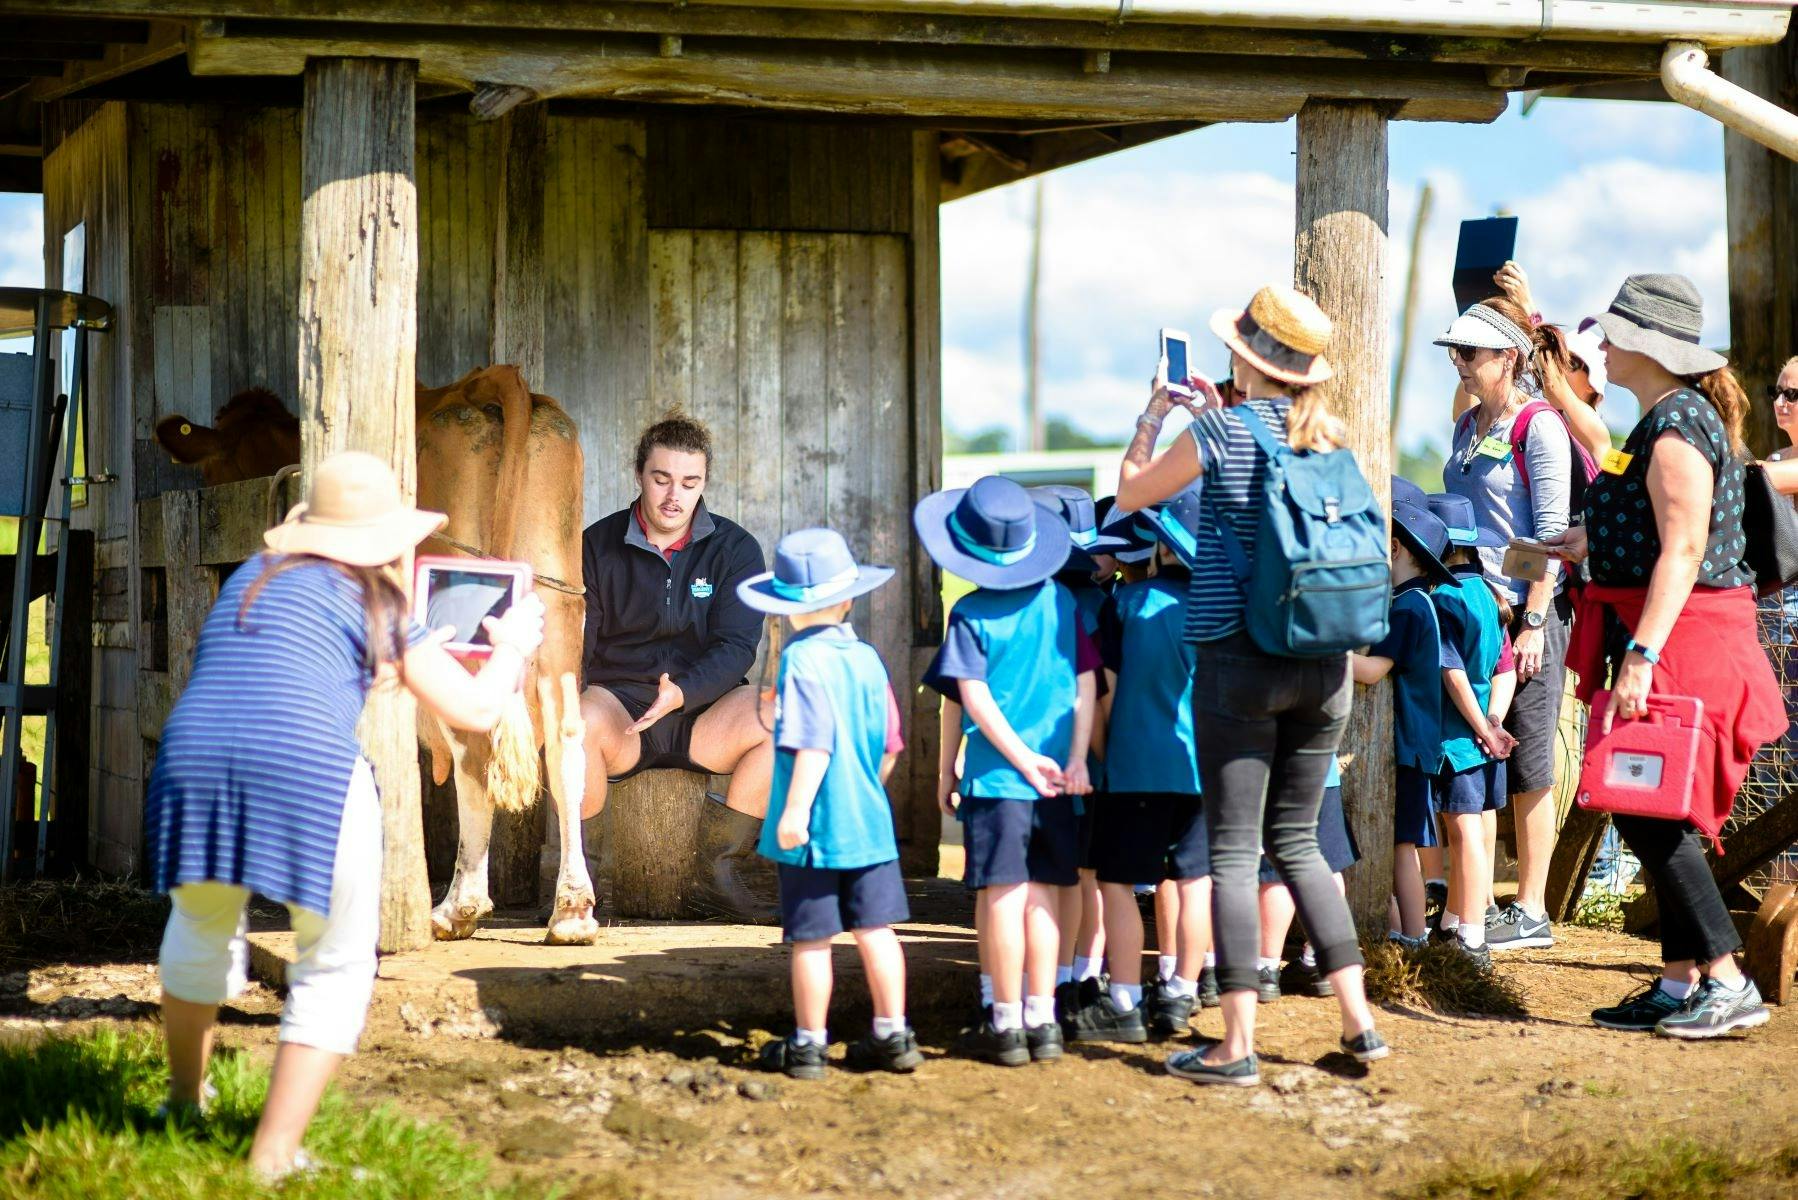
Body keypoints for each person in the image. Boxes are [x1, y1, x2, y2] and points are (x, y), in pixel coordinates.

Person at [145, 452, 546, 1180]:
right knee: (334, 965)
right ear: (386, 542)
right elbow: (478, 709)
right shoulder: (383, 606)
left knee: (200, 928)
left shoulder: (250, 579)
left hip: (192, 761)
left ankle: (182, 1104)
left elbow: (295, 668)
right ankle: (272, 1157)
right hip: (308, 769)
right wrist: (513, 645)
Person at [1117, 284, 1387, 1087]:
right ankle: (1360, 1021)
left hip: (1238, 662)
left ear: (1245, 358)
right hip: (1326, 663)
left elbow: (1133, 494)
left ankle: (1234, 1045)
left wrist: (1152, 421)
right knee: (1299, 843)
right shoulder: (1333, 442)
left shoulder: (1219, 433)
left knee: (1234, 850)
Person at [1551, 274, 1785, 1037]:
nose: (1604, 349)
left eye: (1613, 335)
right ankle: (1681, 980)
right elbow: (1662, 531)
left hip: (1685, 638)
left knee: (1646, 808)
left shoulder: (1678, 423)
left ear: (1647, 344)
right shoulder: (1669, 416)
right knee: (1655, 805)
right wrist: (1595, 543)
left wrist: (1644, 654)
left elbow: (1685, 549)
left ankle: (1725, 975)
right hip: (1674, 632)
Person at [920, 476, 1099, 1066]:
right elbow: (1085, 684)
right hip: (1056, 780)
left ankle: (1003, 1021)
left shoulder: (969, 612)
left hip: (999, 780)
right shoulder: (1063, 602)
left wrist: (995, 762)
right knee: (1045, 894)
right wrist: (1073, 759)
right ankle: (1042, 1019)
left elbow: (971, 696)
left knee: (1002, 895)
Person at [579, 413, 774, 919]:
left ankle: (717, 875)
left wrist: (682, 691)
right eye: (661, 478)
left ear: (703, 483)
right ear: (639, 474)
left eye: (690, 482)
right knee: (574, 724)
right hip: (622, 715)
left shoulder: (735, 549)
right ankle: (580, 884)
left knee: (784, 715)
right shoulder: (595, 546)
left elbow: (737, 647)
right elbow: (582, 644)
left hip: (703, 714)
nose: (674, 496)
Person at [739, 528, 917, 1080]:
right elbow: (891, 743)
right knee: (877, 931)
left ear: (788, 610)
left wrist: (794, 811)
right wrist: (865, 789)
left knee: (812, 940)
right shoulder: (867, 658)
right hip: (869, 825)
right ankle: (893, 1035)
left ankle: (810, 1045)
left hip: (814, 831)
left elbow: (812, 743)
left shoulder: (800, 662)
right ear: (846, 599)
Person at [1438, 295, 1579, 953]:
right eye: (1455, 353)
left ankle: (1531, 909)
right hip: (1476, 614)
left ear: (1509, 357)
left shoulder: (1538, 426)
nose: (1460, 364)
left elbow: (1548, 534)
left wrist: (1530, 617)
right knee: (1481, 748)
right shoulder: (1469, 426)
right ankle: (1483, 902)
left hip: (1525, 613)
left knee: (1528, 753)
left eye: (1470, 353)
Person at [1066, 525, 1209, 1042]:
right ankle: (1179, 995)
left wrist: (1109, 752)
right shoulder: (1224, 607)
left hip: (1135, 768)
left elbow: (1102, 691)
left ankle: (1124, 1000)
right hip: (1205, 773)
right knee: (1194, 883)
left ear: (1161, 547)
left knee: (1117, 883)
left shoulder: (1127, 602)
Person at [1031, 487, 1130, 1013]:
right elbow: (1100, 692)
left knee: (1051, 876)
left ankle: (1053, 980)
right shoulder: (1103, 607)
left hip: (1042, 762)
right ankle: (1083, 976)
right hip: (1090, 763)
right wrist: (1106, 754)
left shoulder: (1035, 605)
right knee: (1087, 875)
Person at [1350, 502, 1466, 949]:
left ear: (1394, 546)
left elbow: (1374, 670)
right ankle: (1408, 928)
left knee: (1401, 846)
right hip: (1418, 743)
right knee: (1402, 844)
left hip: (1409, 744)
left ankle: (1413, 936)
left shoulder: (1407, 607)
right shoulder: (1419, 602)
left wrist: (1322, 654)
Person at [1426, 491, 1520, 931]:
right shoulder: (1489, 593)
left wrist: (1480, 726)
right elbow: (1506, 668)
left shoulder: (1442, 598)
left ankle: (1472, 932)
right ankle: (1454, 920)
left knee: (1462, 834)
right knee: (1478, 829)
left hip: (1456, 738)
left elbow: (1452, 672)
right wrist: (1494, 722)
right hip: (1484, 740)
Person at [1254, 754, 1358, 1000]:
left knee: (1275, 868)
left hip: (1277, 770)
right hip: (1323, 768)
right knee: (1327, 864)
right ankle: (1318, 961)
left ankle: (1266, 969)